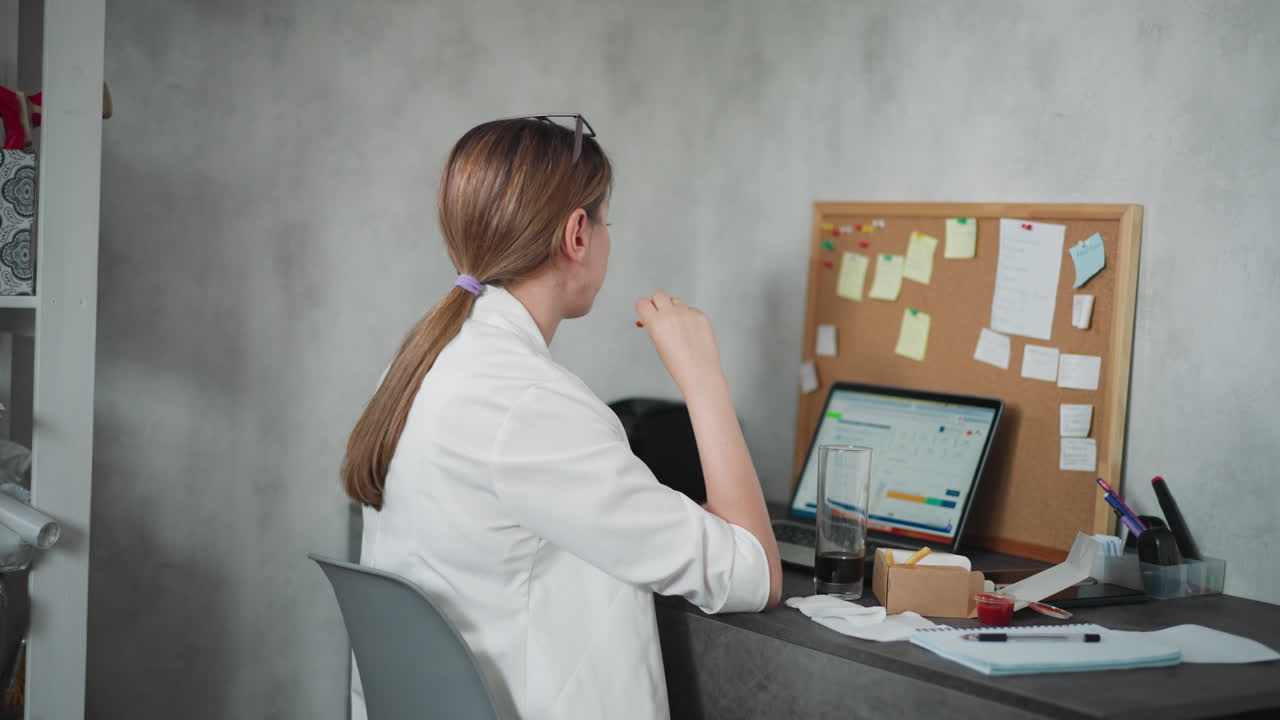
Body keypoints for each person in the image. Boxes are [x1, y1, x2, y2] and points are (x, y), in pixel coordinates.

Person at [341, 115, 782, 720]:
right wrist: (704, 377)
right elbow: (753, 573)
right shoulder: (531, 405)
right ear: (578, 233)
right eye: (606, 222)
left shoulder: (419, 364)